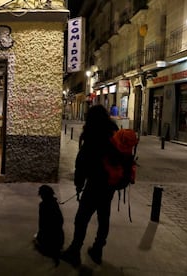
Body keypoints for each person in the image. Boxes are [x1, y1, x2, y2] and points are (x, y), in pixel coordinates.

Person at [61, 104, 118, 267]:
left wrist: (79, 184)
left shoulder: (92, 133)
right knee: (104, 217)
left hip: (94, 183)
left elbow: (82, 161)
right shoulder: (112, 130)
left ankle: (75, 250)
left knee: (81, 218)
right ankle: (98, 250)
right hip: (109, 184)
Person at [33, 185, 64, 266]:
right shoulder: (55, 203)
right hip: (59, 237)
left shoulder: (43, 205)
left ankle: (45, 245)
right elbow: (61, 220)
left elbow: (42, 223)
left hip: (47, 236)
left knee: (38, 238)